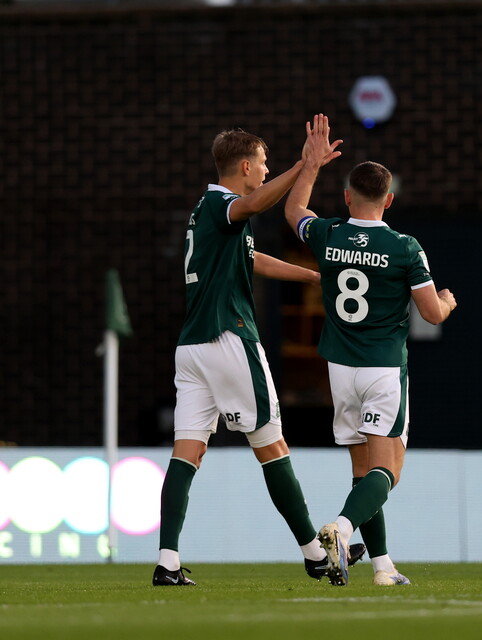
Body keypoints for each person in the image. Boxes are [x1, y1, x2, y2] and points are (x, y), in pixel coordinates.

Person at [153, 116, 365, 586]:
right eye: (264, 163)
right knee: (272, 446)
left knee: (186, 453)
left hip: (192, 348)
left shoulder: (209, 211)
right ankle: (315, 553)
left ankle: (167, 561)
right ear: (245, 166)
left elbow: (253, 260)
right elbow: (254, 204)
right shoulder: (224, 205)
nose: (267, 170)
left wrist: (312, 277)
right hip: (228, 338)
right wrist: (305, 165)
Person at [284, 120, 457, 587]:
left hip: (340, 369)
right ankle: (341, 531)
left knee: (362, 471)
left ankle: (382, 568)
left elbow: (294, 210)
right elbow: (432, 315)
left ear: (346, 197)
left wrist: (311, 164)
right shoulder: (404, 247)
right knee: (388, 471)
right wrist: (447, 301)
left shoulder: (328, 234)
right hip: (382, 368)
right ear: (389, 200)